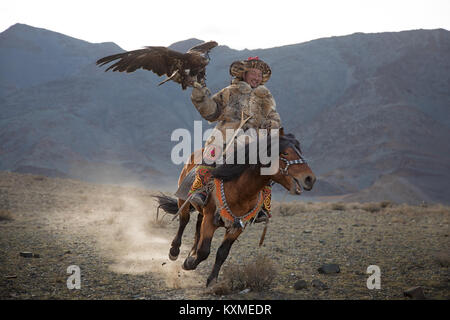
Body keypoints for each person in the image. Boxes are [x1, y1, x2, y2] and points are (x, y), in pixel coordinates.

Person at [188, 57, 281, 222]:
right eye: (253, 73)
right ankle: (200, 191)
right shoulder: (230, 91)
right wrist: (200, 95)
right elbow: (212, 111)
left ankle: (262, 208)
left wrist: (270, 124)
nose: (257, 77)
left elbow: (274, 118)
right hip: (226, 136)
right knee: (211, 154)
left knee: (267, 167)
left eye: (260, 75)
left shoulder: (266, 98)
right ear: (244, 74)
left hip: (253, 142)